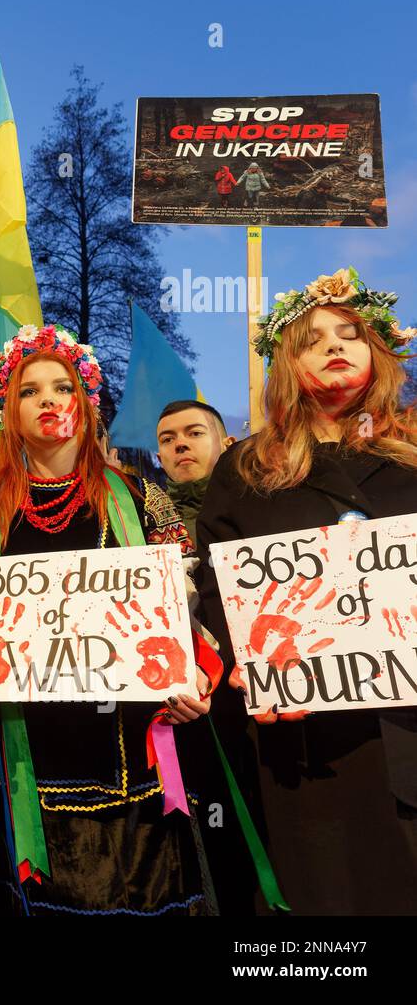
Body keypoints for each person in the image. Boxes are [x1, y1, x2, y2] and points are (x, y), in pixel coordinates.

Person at [0, 324, 215, 916]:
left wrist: (195, 674)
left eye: (61, 386)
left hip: (129, 755)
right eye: (29, 391)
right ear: (8, 411)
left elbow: (183, 603)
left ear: (85, 401)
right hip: (23, 757)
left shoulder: (138, 496)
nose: (48, 400)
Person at [195, 267, 417, 915]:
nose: (335, 345)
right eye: (314, 339)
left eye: (350, 334)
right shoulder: (245, 471)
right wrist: (250, 662)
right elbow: (218, 577)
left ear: (377, 354)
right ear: (287, 365)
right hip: (305, 750)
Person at [156, 400, 237, 544]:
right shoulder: (143, 525)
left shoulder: (262, 508)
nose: (180, 444)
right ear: (160, 459)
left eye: (195, 433)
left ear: (228, 446)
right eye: (167, 439)